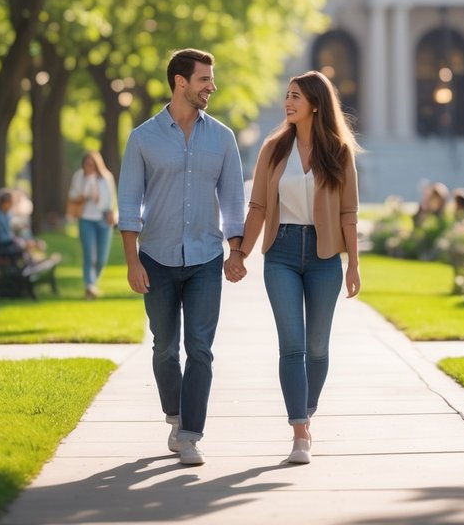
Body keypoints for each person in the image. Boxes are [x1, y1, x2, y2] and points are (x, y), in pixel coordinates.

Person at [224, 70, 361, 465]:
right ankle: (300, 431)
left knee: (317, 349)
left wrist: (353, 264)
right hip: (281, 252)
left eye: (296, 97)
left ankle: (306, 407)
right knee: (293, 346)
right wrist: (240, 254)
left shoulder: (338, 151)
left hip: (324, 259)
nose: (288, 102)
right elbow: (259, 207)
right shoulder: (273, 149)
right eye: (287, 95)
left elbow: (349, 213)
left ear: (315, 104)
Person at [117, 48, 245, 467]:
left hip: (206, 257)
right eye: (204, 79)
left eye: (211, 78)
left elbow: (232, 200)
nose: (211, 86)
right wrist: (132, 260)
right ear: (180, 82)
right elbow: (129, 202)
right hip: (156, 257)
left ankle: (190, 434)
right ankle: (175, 417)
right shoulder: (143, 138)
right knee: (164, 349)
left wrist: (236, 251)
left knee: (201, 349)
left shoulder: (223, 138)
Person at [67, 151, 117, 299]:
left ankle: (93, 284)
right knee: (90, 255)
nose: (89, 167)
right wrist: (85, 190)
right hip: (86, 219)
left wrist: (112, 213)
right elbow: (72, 196)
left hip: (103, 219)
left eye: (92, 164)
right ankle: (89, 285)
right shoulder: (79, 177)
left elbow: (112, 198)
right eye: (86, 164)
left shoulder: (106, 177)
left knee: (101, 258)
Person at [0, 188, 45, 262]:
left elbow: (8, 235)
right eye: (11, 202)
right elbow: (2, 239)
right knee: (21, 247)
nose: (12, 204)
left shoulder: (5, 215)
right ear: (4, 203)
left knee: (23, 245)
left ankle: (30, 262)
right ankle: (28, 265)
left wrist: (22, 241)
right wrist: (23, 243)